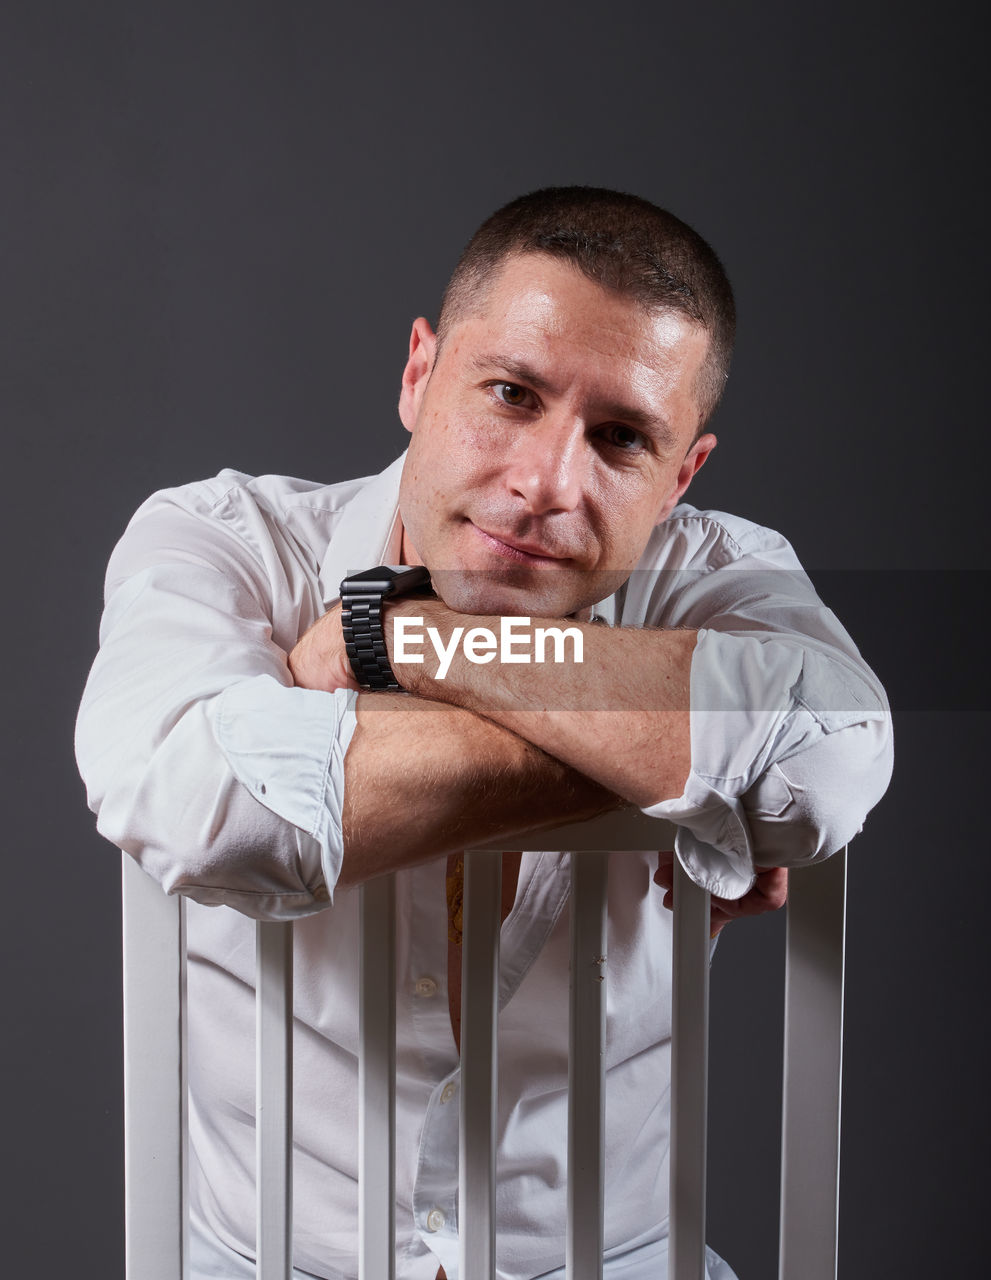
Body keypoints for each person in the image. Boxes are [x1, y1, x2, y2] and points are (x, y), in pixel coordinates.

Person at [76, 187, 892, 1280]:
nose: (546, 482)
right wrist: (669, 758)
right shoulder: (226, 540)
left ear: (681, 475)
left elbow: (829, 754)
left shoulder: (712, 572)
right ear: (420, 374)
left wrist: (397, 641)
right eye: (510, 393)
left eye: (619, 437)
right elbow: (205, 805)